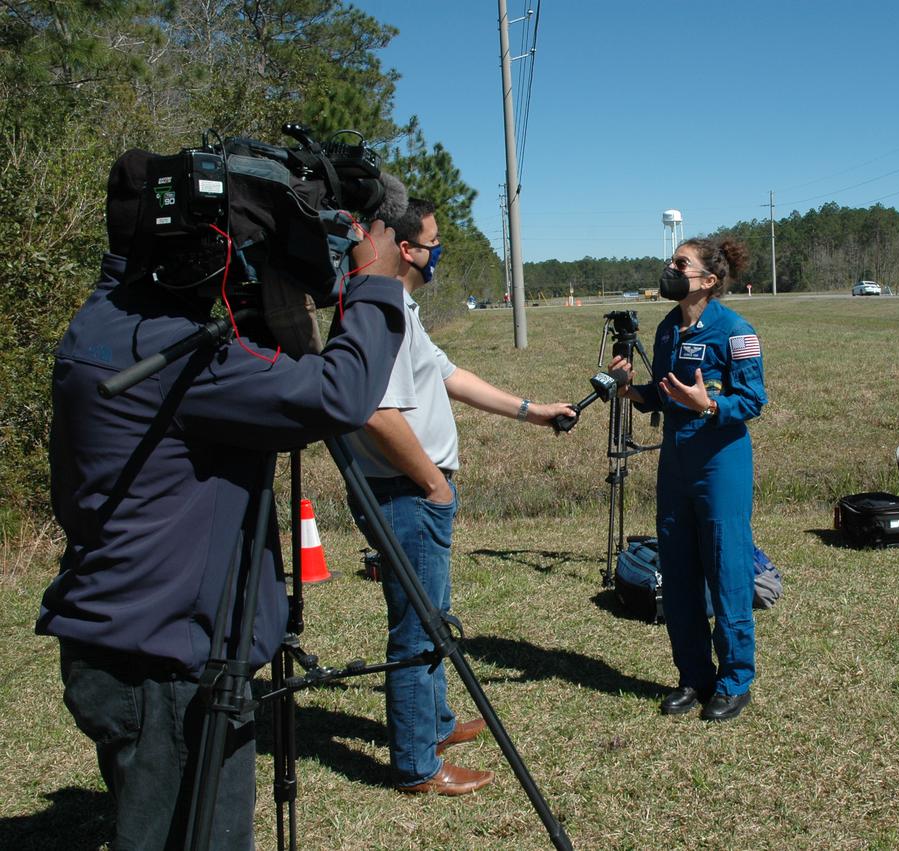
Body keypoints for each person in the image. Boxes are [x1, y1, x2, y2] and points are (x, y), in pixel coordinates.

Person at [36, 150, 407, 849]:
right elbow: (340, 394)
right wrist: (373, 282)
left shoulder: (107, 322)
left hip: (132, 645)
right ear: (181, 250)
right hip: (167, 671)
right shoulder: (172, 356)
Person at [346, 197, 576, 795]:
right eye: (432, 240)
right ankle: (418, 766)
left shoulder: (399, 302)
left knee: (433, 616)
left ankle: (437, 725)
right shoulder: (380, 307)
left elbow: (448, 375)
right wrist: (432, 482)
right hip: (405, 492)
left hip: (413, 490)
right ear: (404, 247)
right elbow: (374, 411)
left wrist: (531, 411)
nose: (437, 250)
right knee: (419, 627)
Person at [610, 237, 767, 722]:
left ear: (708, 280)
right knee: (677, 571)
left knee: (726, 569)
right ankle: (693, 675)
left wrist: (712, 405)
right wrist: (628, 389)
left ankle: (734, 679)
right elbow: (663, 396)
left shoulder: (736, 331)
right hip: (675, 464)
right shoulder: (664, 330)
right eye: (671, 262)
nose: (671, 269)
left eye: (681, 263)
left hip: (721, 464)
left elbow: (754, 401)